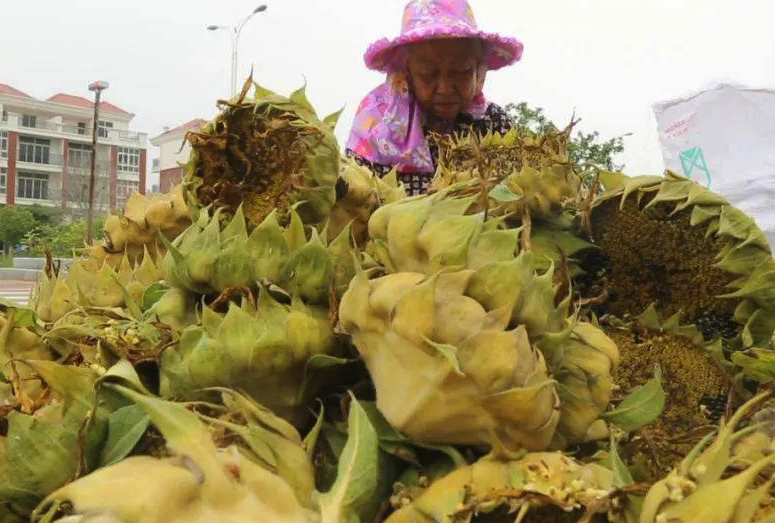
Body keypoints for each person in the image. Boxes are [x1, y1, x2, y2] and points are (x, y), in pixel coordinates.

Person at [346, 0, 523, 195]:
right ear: (407, 73)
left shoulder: (494, 123)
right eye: (428, 74)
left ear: (479, 73)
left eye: (460, 72)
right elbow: (355, 199)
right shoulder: (376, 121)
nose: (445, 89)